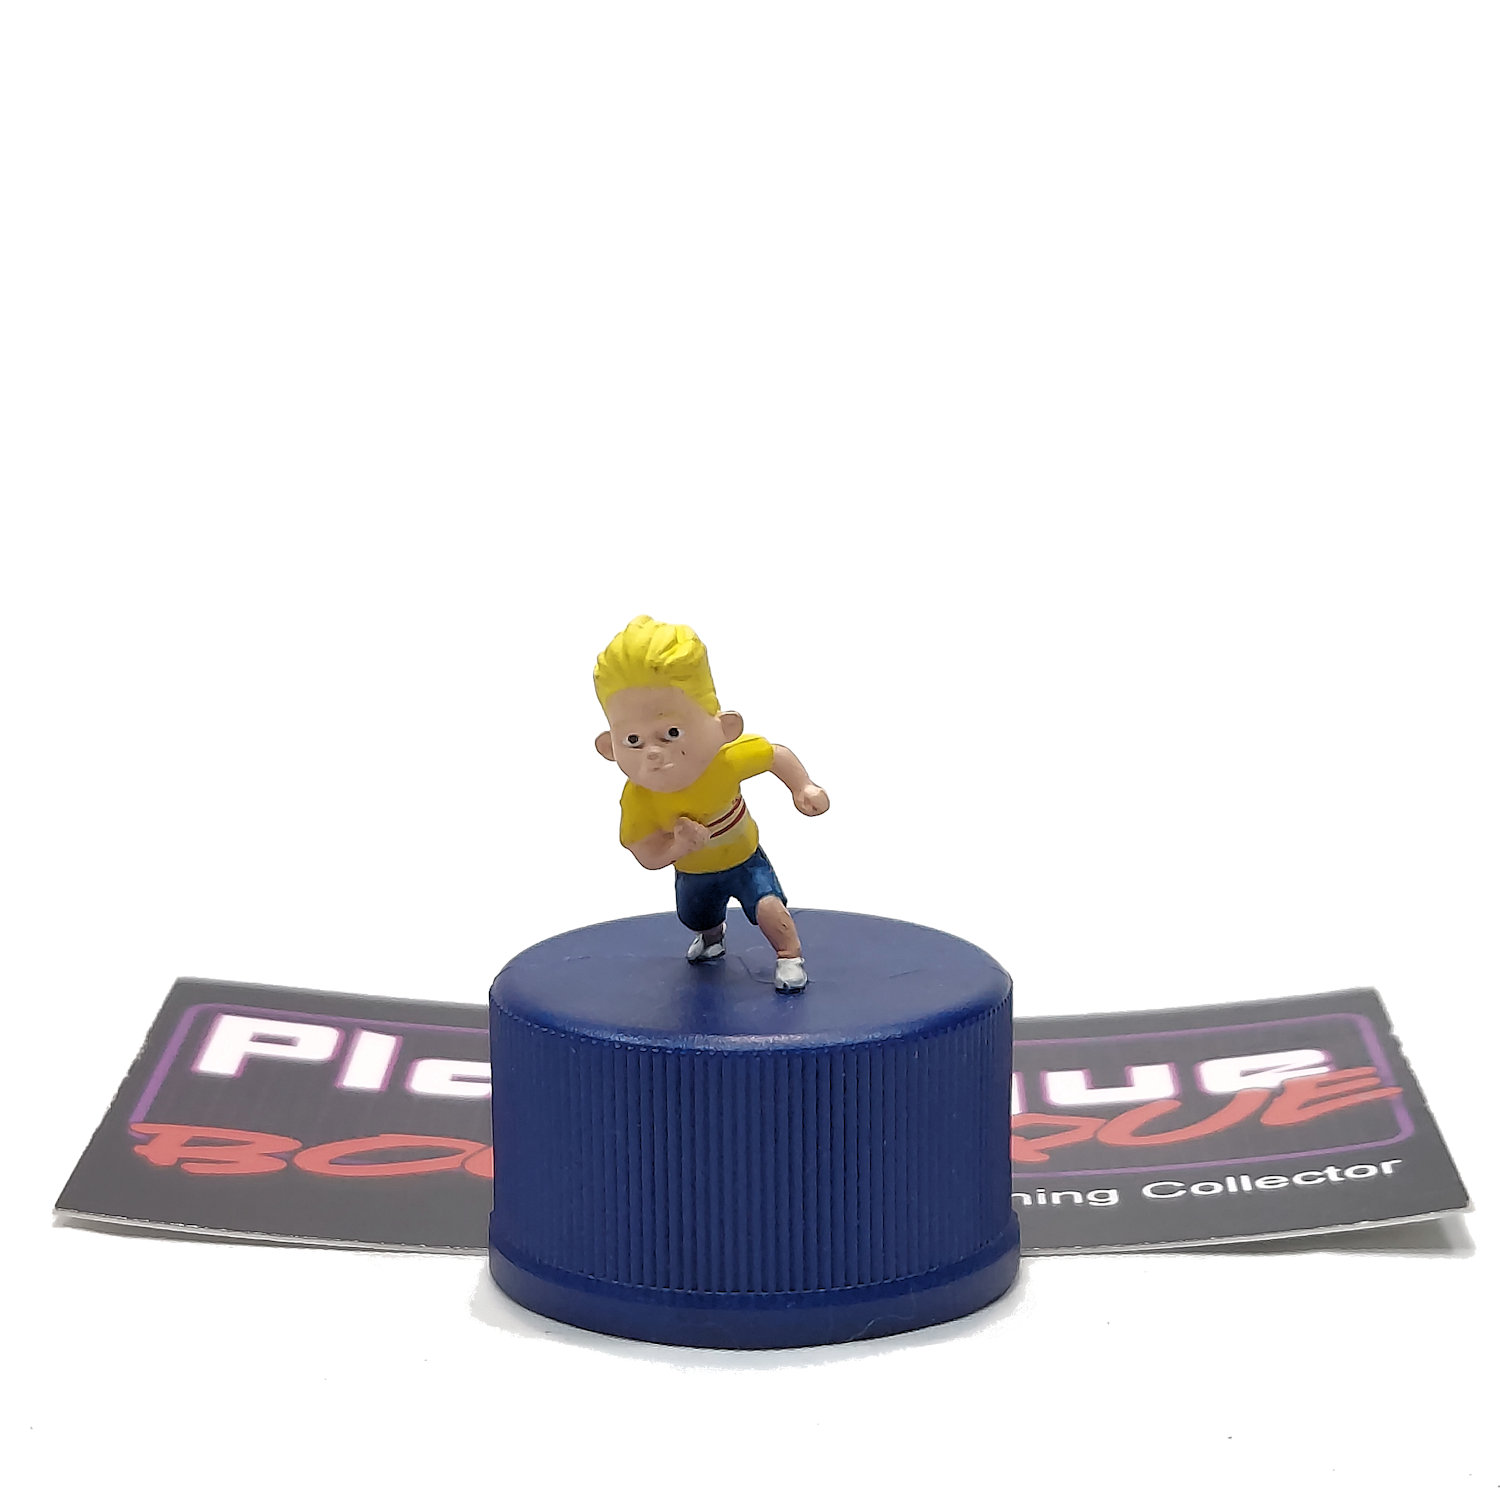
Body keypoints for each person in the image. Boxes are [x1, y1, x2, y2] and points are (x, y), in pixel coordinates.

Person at [593, 615, 829, 992]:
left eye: (671, 733)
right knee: (696, 916)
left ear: (725, 728)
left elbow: (774, 755)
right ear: (608, 747)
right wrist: (678, 846)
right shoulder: (639, 798)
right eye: (633, 740)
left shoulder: (726, 760)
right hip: (694, 871)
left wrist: (803, 787)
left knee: (768, 905)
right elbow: (645, 853)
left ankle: (789, 956)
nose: (652, 752)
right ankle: (712, 937)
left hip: (745, 857)